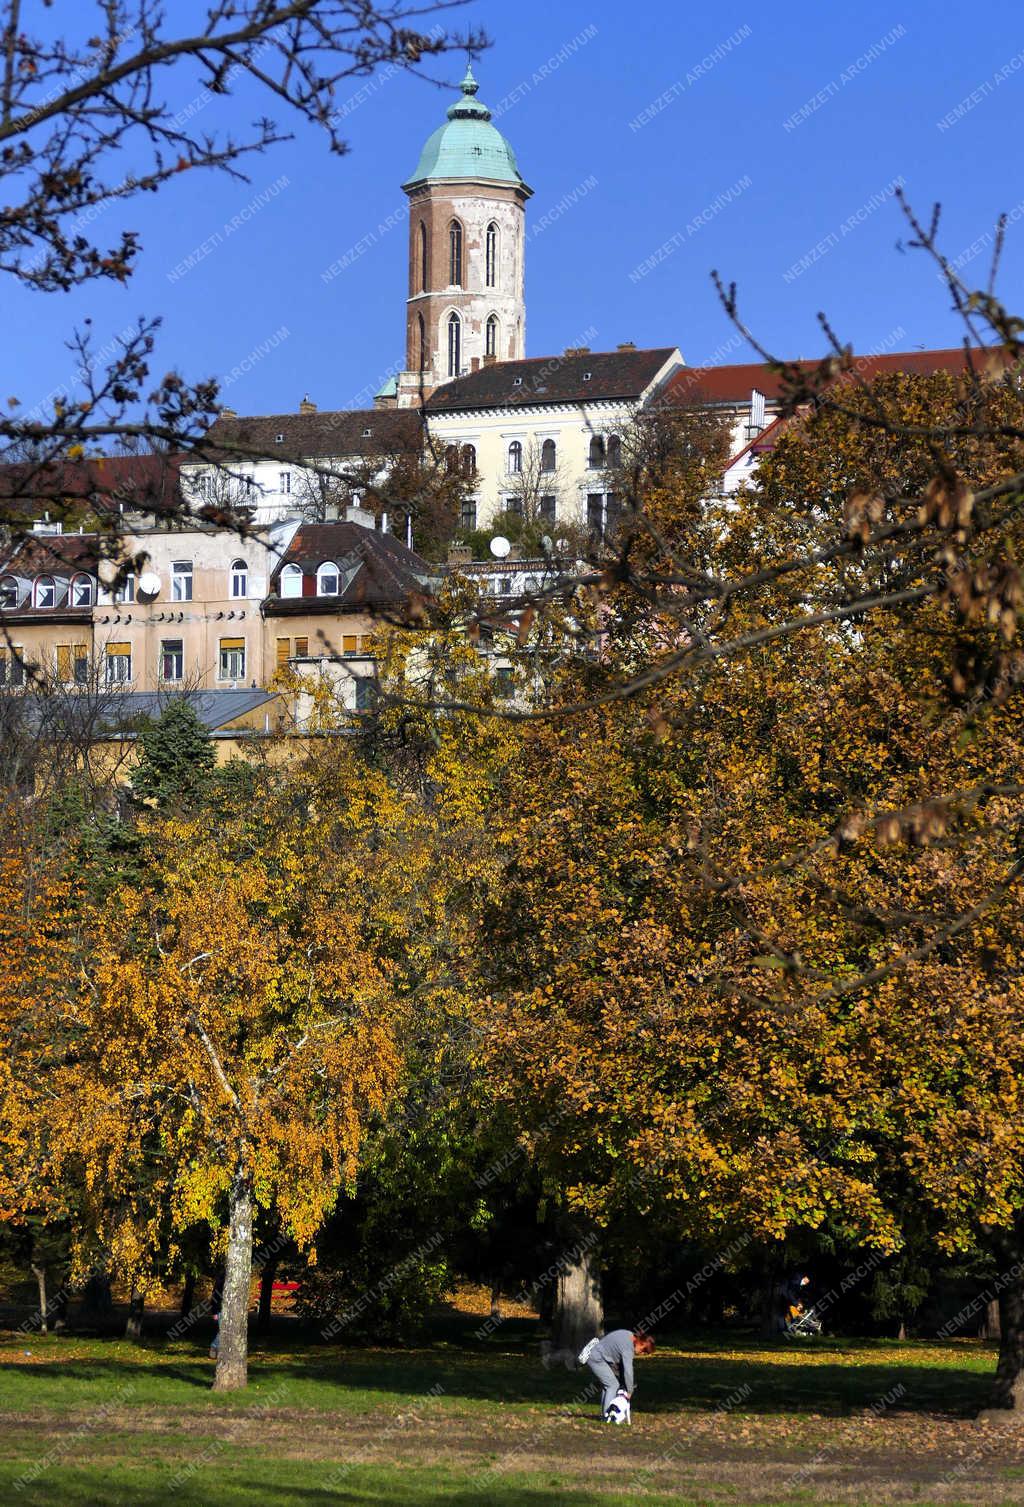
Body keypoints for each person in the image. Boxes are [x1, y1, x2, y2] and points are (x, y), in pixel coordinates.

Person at [578, 1330, 655, 1419]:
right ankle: (608, 1416)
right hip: (596, 1358)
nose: (641, 1354)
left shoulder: (628, 1335)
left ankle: (605, 1415)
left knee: (608, 1385)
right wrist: (629, 1391)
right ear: (641, 1343)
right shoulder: (628, 1348)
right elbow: (628, 1371)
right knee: (612, 1385)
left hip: (599, 1355)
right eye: (643, 1351)